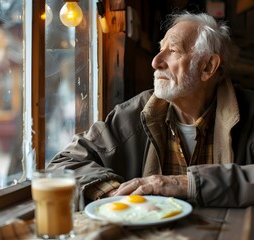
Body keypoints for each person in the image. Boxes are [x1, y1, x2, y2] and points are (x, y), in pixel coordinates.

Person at [48, 11, 254, 210]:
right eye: (159, 49)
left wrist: (186, 184)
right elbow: (64, 163)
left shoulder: (249, 111)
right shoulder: (136, 113)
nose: (155, 62)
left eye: (172, 51)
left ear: (208, 66)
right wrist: (116, 195)